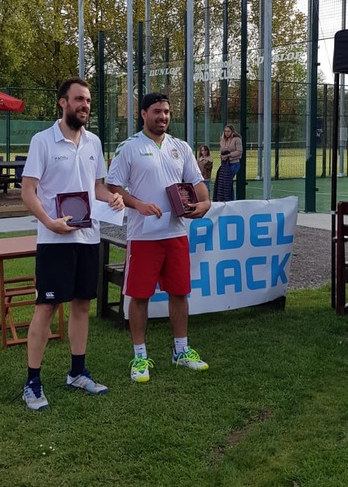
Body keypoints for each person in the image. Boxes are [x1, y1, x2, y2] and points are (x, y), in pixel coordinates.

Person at [20, 77, 124, 411]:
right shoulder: (43, 141)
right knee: (47, 307)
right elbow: (28, 191)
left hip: (88, 237)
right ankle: (32, 382)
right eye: (79, 99)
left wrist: (113, 198)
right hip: (55, 239)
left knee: (81, 305)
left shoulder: (93, 142)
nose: (85, 105)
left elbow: (97, 187)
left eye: (88, 101)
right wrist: (49, 222)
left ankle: (77, 372)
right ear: (62, 102)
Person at [107, 92, 211, 383]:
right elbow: (112, 186)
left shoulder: (181, 147)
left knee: (179, 292)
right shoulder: (129, 147)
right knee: (139, 295)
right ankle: (140, 356)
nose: (163, 116)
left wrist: (205, 204)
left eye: (166, 111)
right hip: (143, 237)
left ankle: (181, 350)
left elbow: (198, 185)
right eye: (156, 111)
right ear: (143, 114)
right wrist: (137, 204)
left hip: (176, 233)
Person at [213, 124, 243, 202]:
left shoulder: (237, 139)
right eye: (225, 131)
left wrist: (229, 155)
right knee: (223, 181)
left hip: (234, 163)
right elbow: (221, 151)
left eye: (228, 131)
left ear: (232, 131)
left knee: (228, 181)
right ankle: (223, 198)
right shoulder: (223, 140)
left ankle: (230, 199)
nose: (227, 133)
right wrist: (221, 156)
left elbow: (239, 151)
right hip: (225, 164)